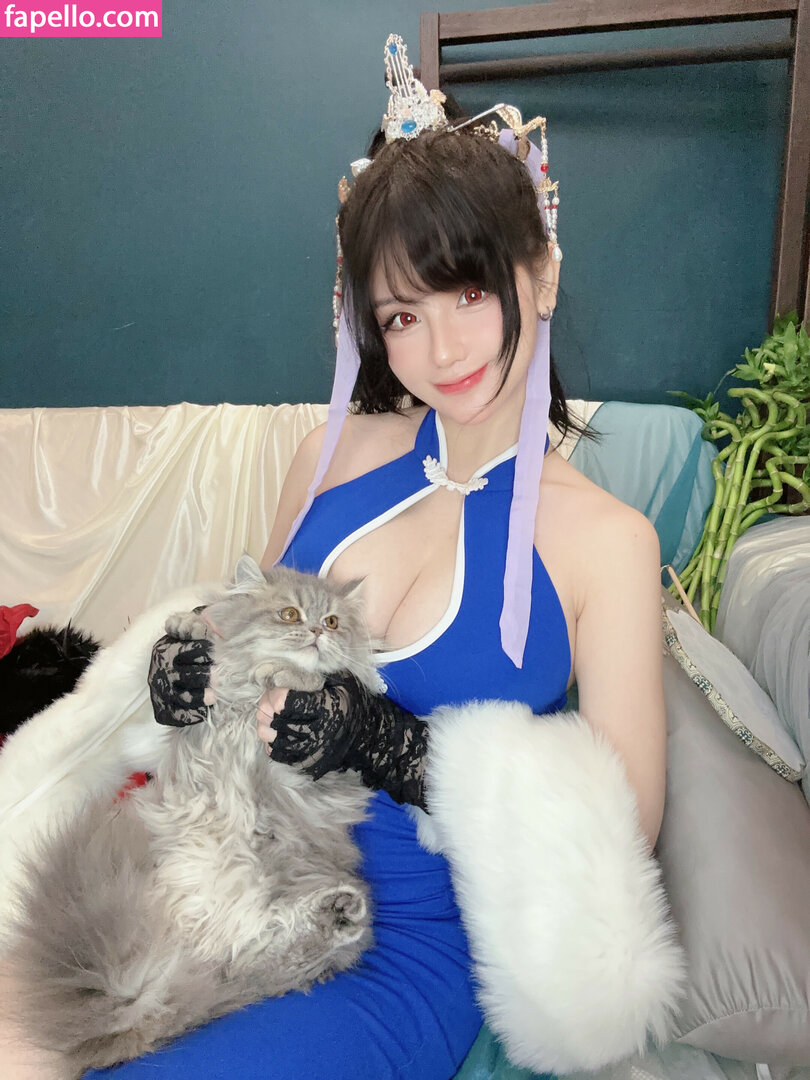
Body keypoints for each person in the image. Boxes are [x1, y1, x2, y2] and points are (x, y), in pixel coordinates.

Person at [1, 35, 673, 1080]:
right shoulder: (333, 454)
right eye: (403, 314)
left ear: (540, 275)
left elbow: (625, 828)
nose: (441, 350)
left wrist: (401, 751)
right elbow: (241, 642)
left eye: (469, 294)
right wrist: (185, 672)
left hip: (385, 945)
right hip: (217, 869)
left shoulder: (607, 542)